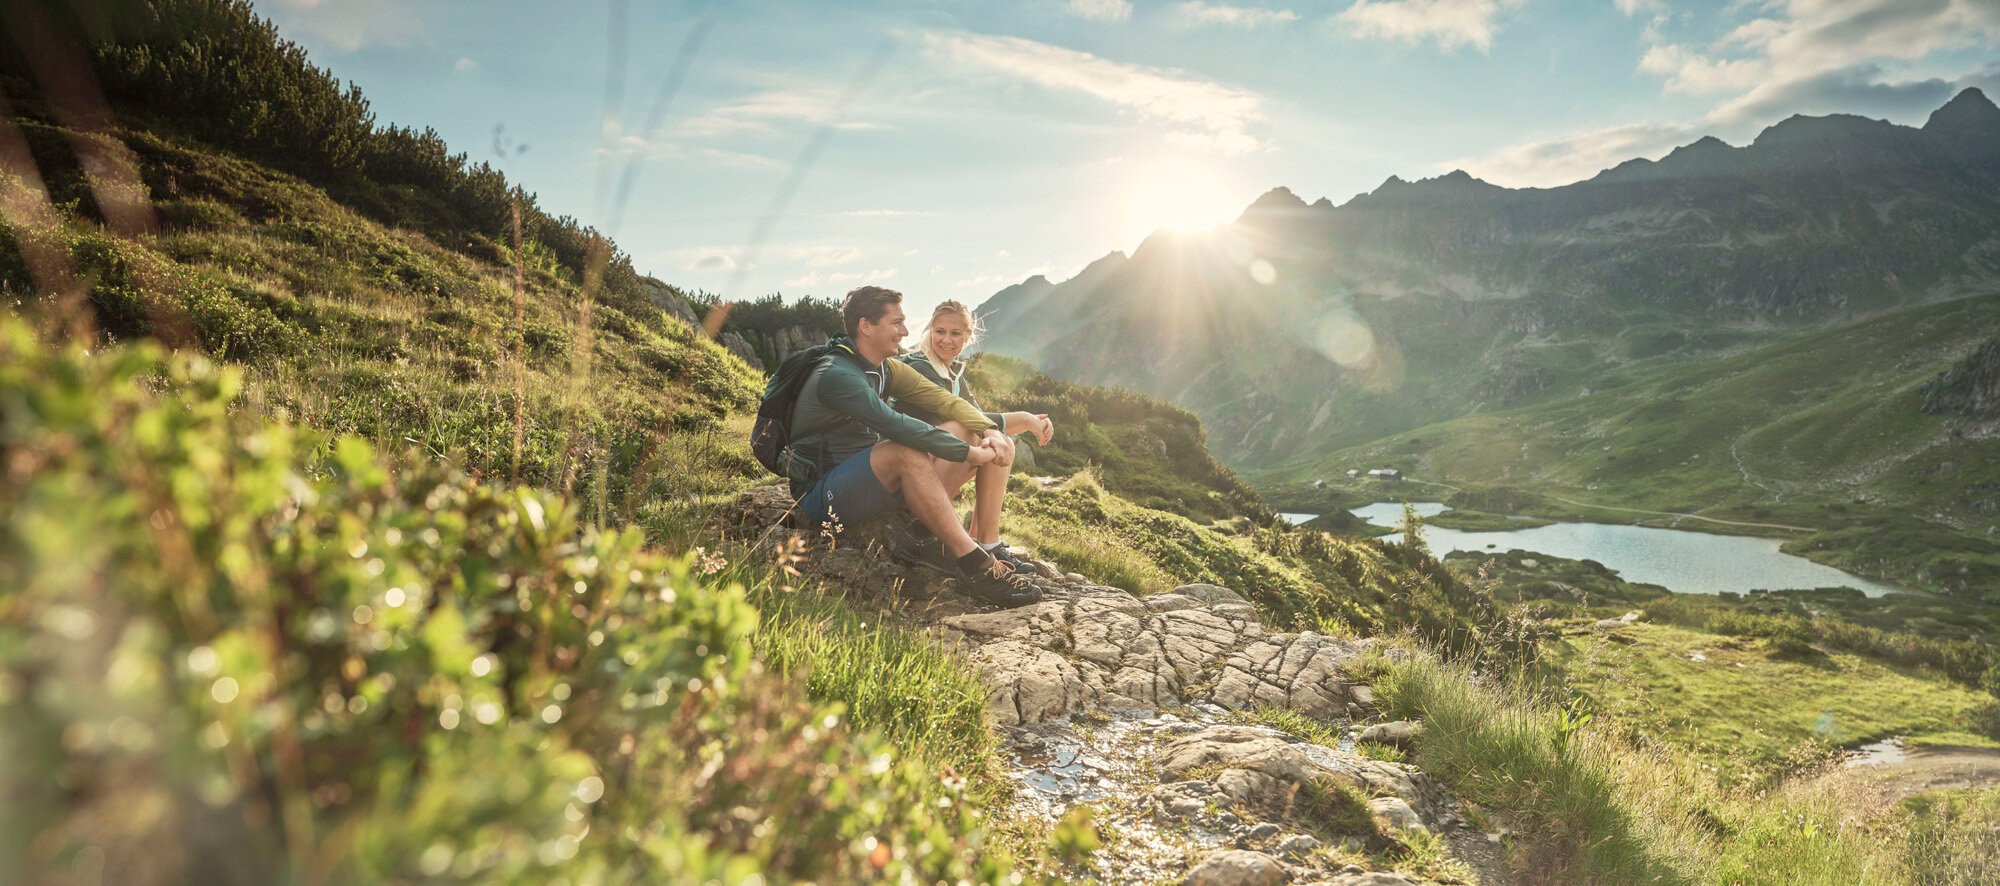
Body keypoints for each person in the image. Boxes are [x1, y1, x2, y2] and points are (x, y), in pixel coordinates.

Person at [783, 285, 1041, 607]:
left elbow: (946, 402)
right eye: (897, 323)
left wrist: (989, 430)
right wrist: (967, 453)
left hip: (866, 476)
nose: (906, 331)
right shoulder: (838, 375)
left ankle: (935, 538)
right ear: (866, 326)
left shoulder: (884, 368)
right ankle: (976, 567)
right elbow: (895, 425)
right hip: (823, 493)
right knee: (903, 449)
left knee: (961, 426)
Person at [892, 300, 1054, 567]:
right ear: (929, 330)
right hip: (908, 477)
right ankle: (925, 532)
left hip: (933, 471)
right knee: (966, 431)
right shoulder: (919, 366)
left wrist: (1028, 421)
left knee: (998, 442)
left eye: (955, 333)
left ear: (967, 337)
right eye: (939, 331)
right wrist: (1024, 419)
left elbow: (982, 422)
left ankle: (987, 542)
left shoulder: (953, 373)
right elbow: (966, 421)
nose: (946, 340)